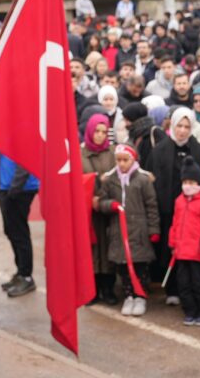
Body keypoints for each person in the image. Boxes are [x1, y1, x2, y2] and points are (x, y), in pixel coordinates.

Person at [148, 107, 200, 303]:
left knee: (190, 249)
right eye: (179, 125)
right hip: (167, 208)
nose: (182, 130)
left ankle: (189, 289)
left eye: (186, 126)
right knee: (169, 247)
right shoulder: (159, 150)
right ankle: (172, 289)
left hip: (192, 210)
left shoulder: (199, 150)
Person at [95, 144, 159, 317]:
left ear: (133, 159)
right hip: (119, 230)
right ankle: (128, 295)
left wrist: (154, 229)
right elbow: (101, 202)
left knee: (139, 266)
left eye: (126, 160)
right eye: (119, 160)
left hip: (139, 231)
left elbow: (151, 205)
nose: (122, 164)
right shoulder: (110, 180)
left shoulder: (143, 180)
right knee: (123, 267)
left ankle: (140, 296)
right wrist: (111, 205)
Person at [170, 157, 200, 326]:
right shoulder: (179, 201)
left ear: (198, 183)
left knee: (199, 283)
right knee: (183, 283)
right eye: (185, 182)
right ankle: (189, 310)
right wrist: (173, 244)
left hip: (198, 253)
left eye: (191, 182)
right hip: (181, 252)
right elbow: (175, 224)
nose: (187, 186)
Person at [82, 114, 118, 305]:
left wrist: (102, 197)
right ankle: (92, 290)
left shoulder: (112, 152)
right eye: (97, 131)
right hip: (88, 211)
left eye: (104, 132)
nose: (100, 136)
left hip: (107, 208)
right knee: (93, 250)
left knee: (108, 248)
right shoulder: (81, 154)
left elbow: (116, 178)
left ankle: (108, 289)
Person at [0, 154, 39, 297]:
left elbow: (25, 163)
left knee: (20, 233)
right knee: (11, 231)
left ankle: (26, 276)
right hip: (5, 187)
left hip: (20, 190)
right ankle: (20, 272)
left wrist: (13, 189)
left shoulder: (21, 134)